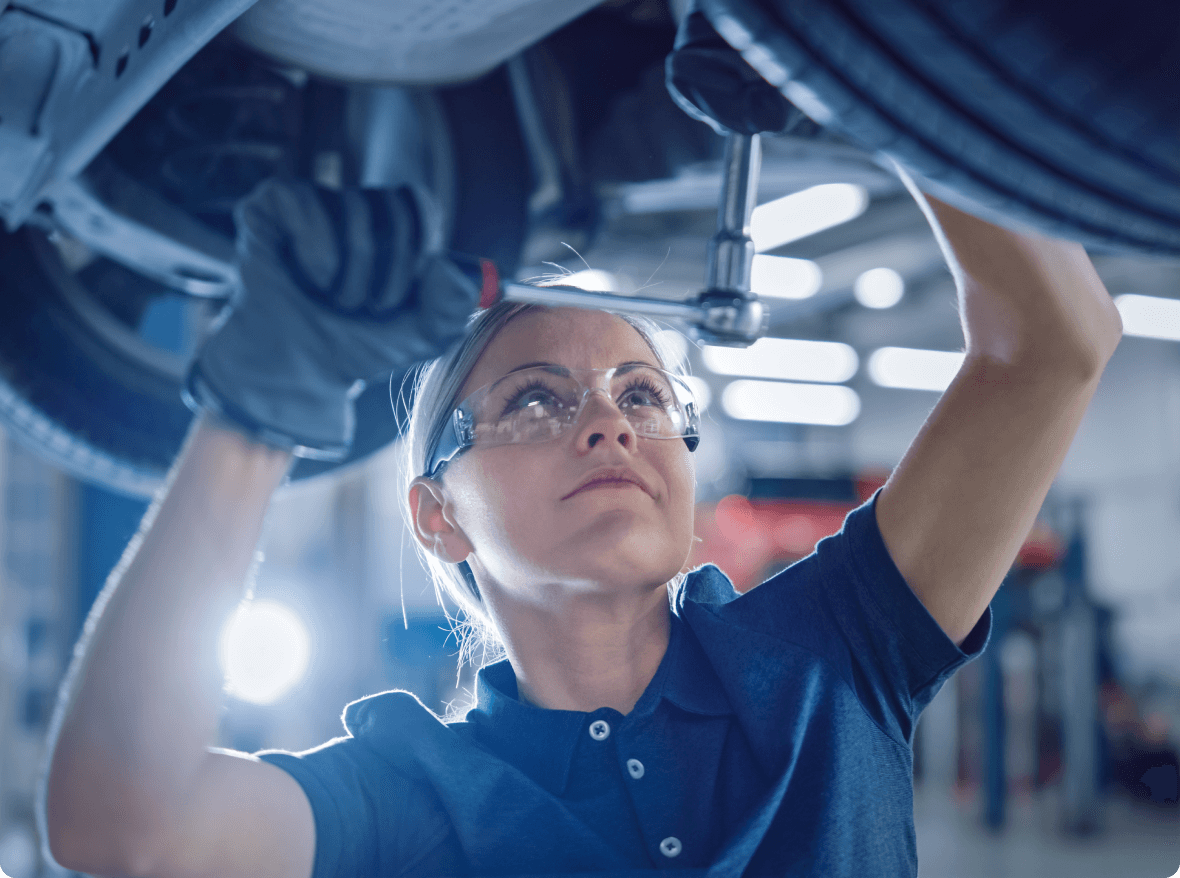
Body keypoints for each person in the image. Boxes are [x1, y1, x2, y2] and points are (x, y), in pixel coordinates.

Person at [40, 165, 1123, 878]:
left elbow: (1055, 339)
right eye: (535, 400)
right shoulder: (408, 794)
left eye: (639, 393)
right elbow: (120, 827)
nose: (606, 420)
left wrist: (859, 47)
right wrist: (257, 411)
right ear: (436, 516)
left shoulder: (831, 652)